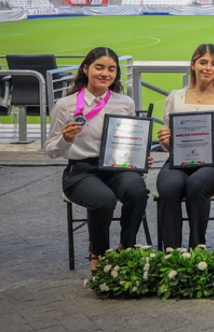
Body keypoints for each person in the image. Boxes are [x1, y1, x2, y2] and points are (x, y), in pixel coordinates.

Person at [45, 47, 146, 273]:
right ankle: (97, 253)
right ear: (85, 69)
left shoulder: (124, 103)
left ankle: (125, 248)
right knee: (104, 200)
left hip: (116, 167)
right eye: (99, 67)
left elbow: (128, 141)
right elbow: (50, 150)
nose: (105, 74)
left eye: (111, 69)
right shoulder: (66, 105)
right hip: (81, 170)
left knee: (137, 191)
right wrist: (65, 139)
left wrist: (138, 155)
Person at [155, 44, 214, 250]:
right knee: (168, 187)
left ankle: (196, 248)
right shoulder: (176, 97)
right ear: (193, 65)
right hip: (180, 158)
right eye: (203, 62)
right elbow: (168, 138)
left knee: (197, 184)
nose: (208, 68)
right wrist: (165, 140)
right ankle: (171, 252)